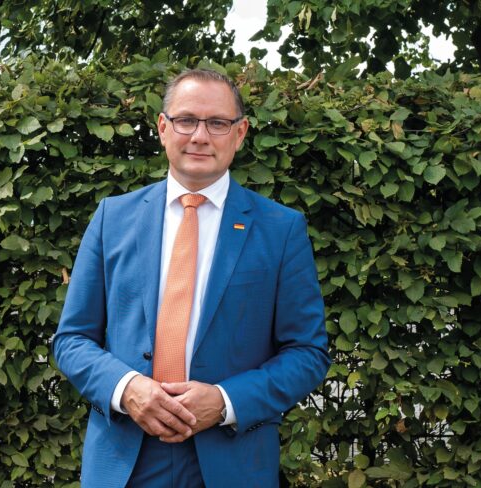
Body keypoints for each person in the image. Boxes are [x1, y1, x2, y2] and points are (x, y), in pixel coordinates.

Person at [52, 68, 330, 488]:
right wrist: (127, 389)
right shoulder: (113, 217)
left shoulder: (280, 229)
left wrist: (224, 401)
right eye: (186, 120)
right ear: (163, 128)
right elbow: (72, 339)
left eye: (217, 123)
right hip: (125, 461)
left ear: (240, 133)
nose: (200, 136)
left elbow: (307, 352)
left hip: (231, 462)